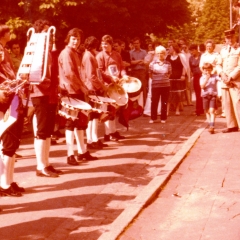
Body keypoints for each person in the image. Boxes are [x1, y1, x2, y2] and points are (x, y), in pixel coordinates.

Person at [28, 19, 62, 177]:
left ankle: (46, 163)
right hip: (40, 93)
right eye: (45, 31)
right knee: (41, 131)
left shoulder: (48, 50)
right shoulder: (35, 50)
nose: (49, 34)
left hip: (49, 94)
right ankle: (40, 166)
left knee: (48, 131)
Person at [58, 28, 98, 165]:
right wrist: (82, 87)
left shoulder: (74, 53)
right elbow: (69, 74)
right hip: (70, 91)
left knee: (80, 123)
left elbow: (77, 73)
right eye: (73, 38)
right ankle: (70, 155)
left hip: (77, 90)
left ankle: (82, 152)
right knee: (71, 123)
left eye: (78, 39)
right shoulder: (66, 53)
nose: (76, 41)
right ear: (68, 39)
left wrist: (84, 87)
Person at [0, 24, 25, 196]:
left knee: (13, 142)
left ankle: (9, 180)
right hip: (3, 99)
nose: (11, 34)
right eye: (9, 32)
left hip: (11, 96)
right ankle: (4, 184)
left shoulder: (5, 50)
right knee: (7, 142)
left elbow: (9, 74)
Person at [96, 34, 127, 141]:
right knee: (108, 109)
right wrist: (110, 78)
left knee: (114, 109)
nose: (104, 46)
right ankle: (108, 133)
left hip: (116, 85)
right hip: (106, 86)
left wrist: (124, 75)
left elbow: (122, 67)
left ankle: (113, 131)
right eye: (103, 44)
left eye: (106, 44)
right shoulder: (100, 56)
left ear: (111, 44)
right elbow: (99, 72)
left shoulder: (117, 55)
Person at [81, 36, 108, 149]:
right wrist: (101, 86)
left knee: (95, 115)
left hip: (93, 87)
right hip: (92, 88)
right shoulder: (88, 56)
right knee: (93, 115)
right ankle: (91, 139)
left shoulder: (90, 55)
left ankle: (94, 138)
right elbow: (91, 75)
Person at [216, 29, 240, 133]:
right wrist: (221, 73)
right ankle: (231, 125)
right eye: (227, 38)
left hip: (235, 81)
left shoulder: (238, 49)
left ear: (235, 37)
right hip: (224, 81)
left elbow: (239, 66)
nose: (229, 39)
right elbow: (218, 64)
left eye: (231, 37)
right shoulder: (223, 50)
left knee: (237, 102)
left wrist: (230, 77)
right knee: (227, 103)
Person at [148, 46, 171, 123]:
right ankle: (153, 118)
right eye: (158, 53)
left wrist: (163, 79)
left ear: (164, 54)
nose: (160, 55)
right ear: (156, 54)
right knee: (154, 101)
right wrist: (157, 79)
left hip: (166, 85)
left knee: (164, 101)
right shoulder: (152, 63)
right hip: (155, 85)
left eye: (162, 53)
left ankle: (163, 118)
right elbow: (150, 74)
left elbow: (169, 73)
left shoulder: (168, 63)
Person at [166, 43, 188, 115]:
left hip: (179, 78)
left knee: (178, 94)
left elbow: (184, 66)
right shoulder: (168, 57)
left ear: (174, 49)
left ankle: (177, 109)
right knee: (169, 94)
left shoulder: (181, 56)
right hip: (170, 78)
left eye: (170, 48)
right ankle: (167, 110)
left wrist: (183, 75)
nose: (169, 49)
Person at [200, 63, 221, 134]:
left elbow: (220, 79)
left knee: (212, 111)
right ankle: (209, 124)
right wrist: (206, 79)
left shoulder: (214, 76)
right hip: (205, 96)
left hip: (212, 96)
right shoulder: (202, 78)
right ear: (203, 70)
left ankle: (212, 126)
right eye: (206, 70)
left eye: (209, 70)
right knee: (207, 111)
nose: (207, 72)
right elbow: (202, 86)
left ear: (211, 70)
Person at [130, 37, 147, 105]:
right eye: (134, 43)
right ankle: (135, 104)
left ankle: (144, 104)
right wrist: (140, 60)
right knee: (135, 88)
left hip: (142, 72)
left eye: (137, 43)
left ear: (140, 43)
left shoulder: (144, 52)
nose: (136, 45)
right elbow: (131, 62)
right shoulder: (131, 52)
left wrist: (136, 62)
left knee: (143, 88)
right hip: (134, 72)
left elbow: (145, 62)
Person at [188, 44, 204, 116]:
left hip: (203, 76)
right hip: (196, 77)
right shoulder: (191, 58)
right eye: (190, 51)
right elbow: (191, 68)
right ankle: (198, 110)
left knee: (204, 93)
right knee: (197, 94)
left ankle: (204, 108)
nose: (192, 52)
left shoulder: (202, 56)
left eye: (193, 50)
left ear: (196, 49)